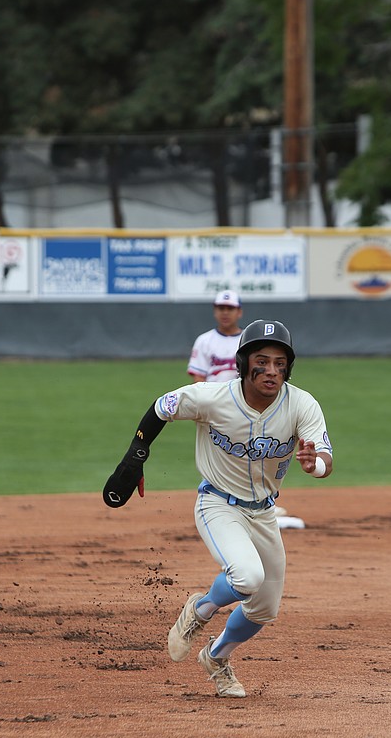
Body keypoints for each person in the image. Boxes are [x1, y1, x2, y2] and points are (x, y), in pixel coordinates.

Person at [102, 319, 334, 697]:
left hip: (264, 512)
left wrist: (315, 465)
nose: (271, 371)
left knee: (263, 609)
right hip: (218, 503)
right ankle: (200, 610)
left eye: (280, 362)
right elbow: (162, 407)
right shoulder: (212, 397)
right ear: (243, 363)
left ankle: (216, 657)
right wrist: (136, 456)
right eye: (262, 361)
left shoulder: (302, 404)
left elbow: (324, 457)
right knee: (246, 577)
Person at [187, 289, 243, 383]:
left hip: (241, 395)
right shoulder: (204, 340)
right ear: (215, 312)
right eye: (221, 308)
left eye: (230, 308)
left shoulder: (248, 339)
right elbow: (198, 378)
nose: (225, 313)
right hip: (213, 395)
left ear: (239, 312)